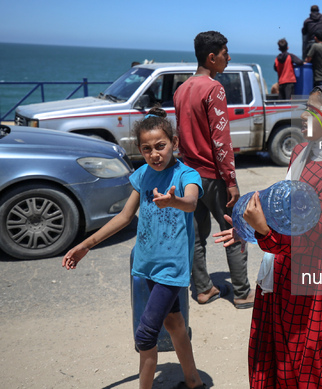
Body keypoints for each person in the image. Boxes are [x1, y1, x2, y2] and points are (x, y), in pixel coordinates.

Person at [214, 84, 322, 388]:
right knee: (270, 351)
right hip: (280, 264)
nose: (303, 115)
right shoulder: (302, 151)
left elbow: (307, 239)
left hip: (308, 275)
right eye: (306, 107)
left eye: (314, 111)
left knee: (302, 361)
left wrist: (263, 231)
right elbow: (278, 207)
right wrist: (246, 228)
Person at [62, 108, 206, 389]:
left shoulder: (187, 174)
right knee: (174, 324)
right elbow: (124, 217)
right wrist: (85, 245)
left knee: (145, 336)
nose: (155, 154)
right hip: (146, 265)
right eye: (147, 148)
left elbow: (191, 202)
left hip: (170, 268)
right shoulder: (142, 175)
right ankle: (195, 383)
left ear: (174, 143)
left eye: (161, 146)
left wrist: (173, 202)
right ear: (140, 150)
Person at [174, 31, 254, 309]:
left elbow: (181, 136)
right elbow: (221, 141)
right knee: (234, 231)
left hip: (188, 175)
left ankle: (203, 289)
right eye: (224, 53)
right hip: (213, 176)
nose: (228, 58)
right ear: (211, 57)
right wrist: (231, 180)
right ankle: (243, 293)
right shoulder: (214, 88)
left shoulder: (181, 90)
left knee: (195, 235)